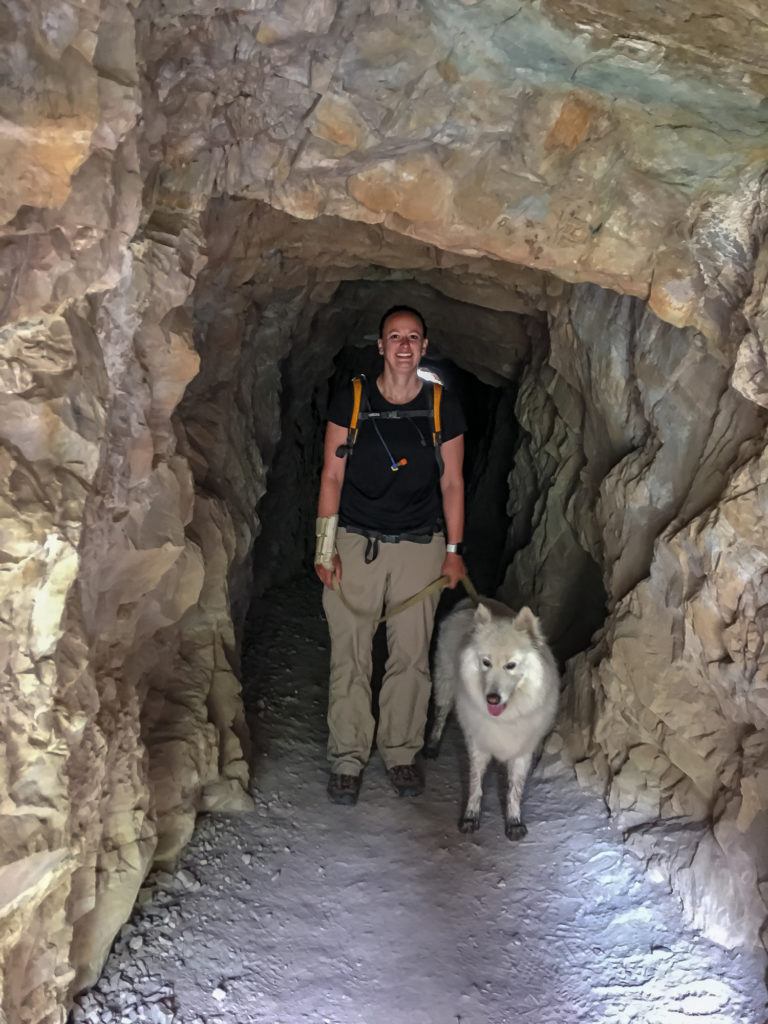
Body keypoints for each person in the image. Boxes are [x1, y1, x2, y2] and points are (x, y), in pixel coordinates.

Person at [315, 304, 467, 805]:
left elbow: (452, 481)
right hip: (357, 541)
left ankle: (401, 752)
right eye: (394, 336)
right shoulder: (353, 399)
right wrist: (325, 546)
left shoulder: (443, 405)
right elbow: (332, 476)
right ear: (380, 346)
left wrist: (453, 551)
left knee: (410, 656)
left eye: (413, 337)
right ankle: (347, 758)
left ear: (425, 347)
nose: (404, 345)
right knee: (351, 651)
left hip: (419, 546)